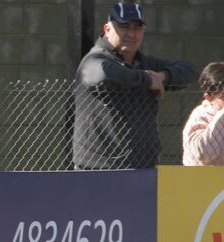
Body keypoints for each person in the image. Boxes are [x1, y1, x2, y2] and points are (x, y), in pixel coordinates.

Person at [73, 2, 196, 170]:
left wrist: (162, 77)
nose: (131, 33)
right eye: (124, 27)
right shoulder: (94, 59)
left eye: (137, 28)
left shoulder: (145, 63)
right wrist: (147, 80)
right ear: (107, 29)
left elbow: (190, 71)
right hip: (98, 170)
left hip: (143, 169)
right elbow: (103, 74)